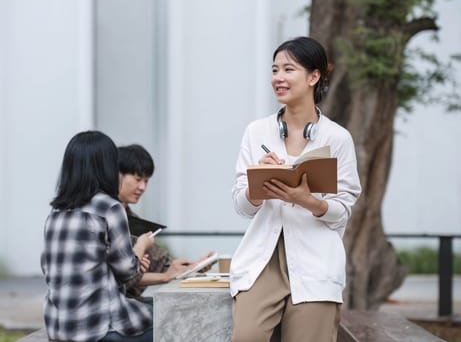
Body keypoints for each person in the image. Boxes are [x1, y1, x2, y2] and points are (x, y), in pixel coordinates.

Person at [230, 36, 362, 342]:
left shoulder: (337, 138)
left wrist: (307, 201)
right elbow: (241, 206)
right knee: (246, 336)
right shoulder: (256, 132)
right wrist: (257, 184)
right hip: (262, 259)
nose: (278, 78)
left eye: (288, 69)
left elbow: (342, 211)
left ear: (314, 76)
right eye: (274, 70)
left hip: (316, 259)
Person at [41, 131, 155, 342]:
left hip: (59, 328)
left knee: (152, 308)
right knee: (174, 319)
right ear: (108, 168)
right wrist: (140, 247)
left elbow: (48, 269)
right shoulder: (109, 208)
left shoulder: (55, 214)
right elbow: (128, 273)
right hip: (98, 330)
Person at [118, 144, 215, 297]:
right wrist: (165, 274)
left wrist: (191, 267)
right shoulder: (108, 218)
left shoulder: (132, 219)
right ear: (117, 175)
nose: (142, 187)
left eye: (146, 181)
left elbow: (162, 261)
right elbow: (121, 276)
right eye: (138, 179)